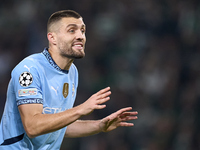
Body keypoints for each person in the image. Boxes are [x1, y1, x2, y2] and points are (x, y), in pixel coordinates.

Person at [0, 10, 138, 150]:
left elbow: (59, 126)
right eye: (72, 30)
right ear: (52, 38)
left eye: (82, 31)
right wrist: (81, 109)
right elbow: (32, 127)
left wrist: (99, 125)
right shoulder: (29, 70)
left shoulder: (72, 72)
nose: (80, 36)